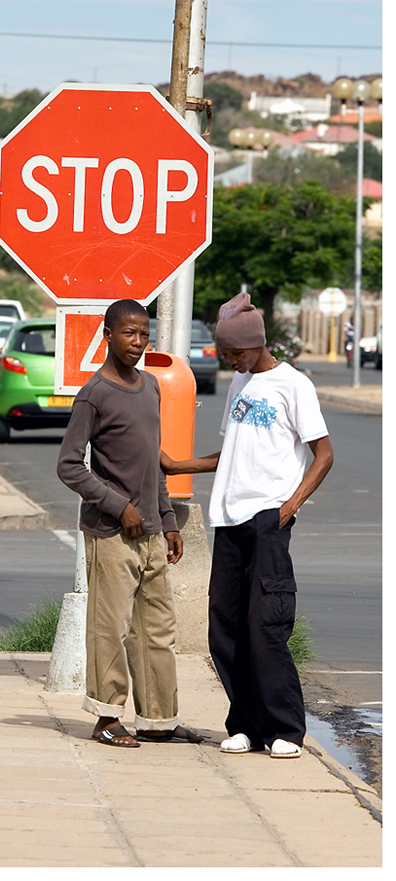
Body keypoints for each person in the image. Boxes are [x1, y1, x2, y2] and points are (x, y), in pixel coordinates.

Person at [160, 292, 334, 759]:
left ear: (256, 345)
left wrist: (288, 506)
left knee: (267, 624)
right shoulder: (240, 384)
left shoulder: (292, 386)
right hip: (229, 517)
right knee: (226, 625)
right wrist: (180, 466)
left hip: (267, 519)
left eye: (235, 352)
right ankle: (244, 725)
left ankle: (285, 730)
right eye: (225, 352)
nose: (229, 359)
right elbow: (231, 452)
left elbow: (324, 455)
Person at [57, 298, 203, 748]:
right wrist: (119, 506)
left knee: (157, 626)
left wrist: (167, 521)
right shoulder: (94, 394)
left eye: (144, 334)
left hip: (152, 533)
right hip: (111, 532)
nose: (138, 342)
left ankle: (159, 718)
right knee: (111, 628)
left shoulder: (151, 388)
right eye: (129, 333)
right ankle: (105, 718)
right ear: (107, 334)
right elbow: (69, 466)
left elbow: (150, 464)